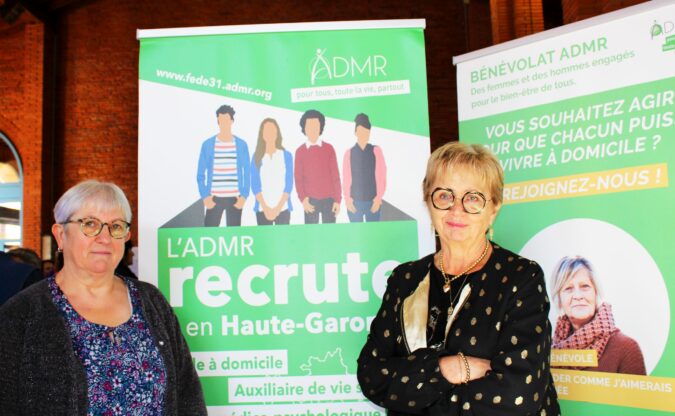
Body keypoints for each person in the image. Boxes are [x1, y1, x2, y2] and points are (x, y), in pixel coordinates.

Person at [357, 142, 560, 415]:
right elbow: (372, 377)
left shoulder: (521, 278)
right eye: (444, 196)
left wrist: (415, 391)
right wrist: (452, 368)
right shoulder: (405, 279)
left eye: (473, 198)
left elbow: (517, 397)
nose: (457, 210)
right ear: (428, 200)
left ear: (494, 208)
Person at [0, 180, 206, 415]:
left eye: (116, 226)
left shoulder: (151, 301)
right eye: (90, 224)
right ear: (60, 235)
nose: (104, 237)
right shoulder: (21, 314)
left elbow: (189, 396)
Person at [550, 256, 646, 375]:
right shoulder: (548, 349)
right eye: (568, 289)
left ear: (596, 293)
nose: (578, 296)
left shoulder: (627, 349)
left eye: (585, 286)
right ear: (559, 299)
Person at [197, 104, 250, 227]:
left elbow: (247, 173)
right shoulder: (208, 145)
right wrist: (205, 197)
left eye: (226, 120)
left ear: (232, 121)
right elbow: (200, 174)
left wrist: (243, 197)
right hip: (213, 198)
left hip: (235, 199)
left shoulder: (241, 145)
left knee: (234, 236)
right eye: (220, 120)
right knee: (209, 235)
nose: (223, 123)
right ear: (217, 121)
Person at [294, 109, 341, 224]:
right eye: (309, 125)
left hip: (329, 200)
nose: (312, 128)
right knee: (311, 236)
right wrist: (303, 199)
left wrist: (337, 200)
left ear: (321, 127)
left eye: (316, 125)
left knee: (330, 235)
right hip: (310, 200)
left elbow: (335, 176)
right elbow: (298, 178)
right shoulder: (300, 151)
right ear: (304, 128)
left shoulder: (329, 149)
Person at [342, 113, 386, 222]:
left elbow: (382, 175)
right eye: (361, 131)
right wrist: (347, 200)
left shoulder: (376, 151)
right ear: (355, 132)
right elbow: (346, 178)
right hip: (354, 203)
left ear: (369, 133)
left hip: (373, 201)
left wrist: (378, 198)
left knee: (373, 234)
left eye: (366, 132)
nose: (364, 134)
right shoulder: (349, 153)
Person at [250, 118, 294, 225]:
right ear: (262, 134)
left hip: (283, 209)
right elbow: (255, 185)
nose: (270, 133)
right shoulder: (257, 157)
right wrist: (265, 208)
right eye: (266, 130)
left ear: (277, 133)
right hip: (262, 210)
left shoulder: (286, 156)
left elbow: (289, 184)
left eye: (272, 130)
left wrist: (278, 208)